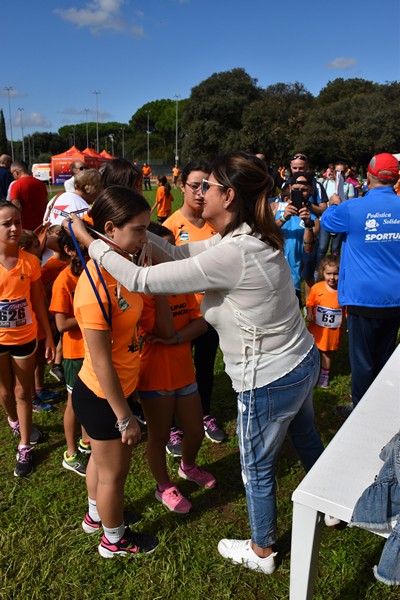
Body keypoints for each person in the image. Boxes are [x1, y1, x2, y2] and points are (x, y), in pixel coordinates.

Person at [67, 151, 324, 575]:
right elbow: (179, 251)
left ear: (229, 196)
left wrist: (91, 239)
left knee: (256, 469)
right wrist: (133, 236)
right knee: (307, 436)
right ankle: (327, 506)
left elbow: (139, 279)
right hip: (299, 361)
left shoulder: (233, 251)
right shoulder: (248, 235)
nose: (201, 192)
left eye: (210, 186)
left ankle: (263, 552)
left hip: (268, 378)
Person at [71, 185, 158, 558]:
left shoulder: (120, 268)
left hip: (114, 389)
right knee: (113, 475)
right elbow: (102, 361)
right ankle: (114, 539)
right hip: (105, 396)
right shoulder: (95, 287)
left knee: (100, 463)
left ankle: (96, 517)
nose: (144, 237)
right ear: (111, 228)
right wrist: (125, 418)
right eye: (138, 230)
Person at [138, 222, 216, 514]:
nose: (173, 256)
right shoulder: (142, 289)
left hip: (184, 372)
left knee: (194, 431)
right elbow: (164, 325)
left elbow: (201, 321)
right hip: (154, 377)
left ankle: (188, 467)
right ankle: (163, 486)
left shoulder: (181, 285)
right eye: (165, 249)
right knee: (158, 438)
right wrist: (157, 286)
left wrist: (177, 338)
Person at [320, 153, 400, 418]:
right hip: (394, 298)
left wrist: (333, 203)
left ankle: (362, 412)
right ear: (396, 178)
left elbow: (328, 222)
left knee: (362, 361)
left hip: (363, 298)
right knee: (385, 355)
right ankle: (384, 406)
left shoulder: (353, 208)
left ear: (369, 176)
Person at [163, 160, 225, 451]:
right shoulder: (169, 227)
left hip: (212, 312)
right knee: (177, 369)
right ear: (181, 185)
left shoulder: (217, 222)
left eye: (207, 186)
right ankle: (173, 427)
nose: (201, 192)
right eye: (194, 186)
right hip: (181, 315)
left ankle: (204, 414)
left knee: (205, 366)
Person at [0, 201, 55, 477]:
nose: (14, 228)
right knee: (5, 392)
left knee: (23, 391)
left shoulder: (31, 261)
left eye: (18, 222)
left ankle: (24, 446)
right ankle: (13, 419)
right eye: (6, 223)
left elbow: (38, 301)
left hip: (25, 336)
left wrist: (48, 338)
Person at [49, 227, 90, 476]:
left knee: (90, 400)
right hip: (75, 353)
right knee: (74, 403)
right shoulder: (64, 280)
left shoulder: (94, 273)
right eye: (82, 245)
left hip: (93, 349)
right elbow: (62, 325)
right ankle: (71, 453)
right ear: (68, 250)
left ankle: (87, 441)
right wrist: (92, 315)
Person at [272, 172, 319, 305]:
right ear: (290, 187)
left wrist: (307, 225)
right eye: (296, 189)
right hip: (270, 274)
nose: (300, 193)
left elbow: (308, 248)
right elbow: (263, 234)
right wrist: (283, 218)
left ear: (310, 191)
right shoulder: (275, 208)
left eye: (304, 190)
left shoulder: (313, 220)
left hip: (292, 280)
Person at [306, 255, 342, 388]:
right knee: (312, 351)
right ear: (322, 272)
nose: (332, 277)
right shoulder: (317, 288)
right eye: (329, 274)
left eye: (336, 274)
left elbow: (346, 309)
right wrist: (309, 312)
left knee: (326, 353)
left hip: (331, 331)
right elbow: (310, 302)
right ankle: (310, 374)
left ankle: (324, 377)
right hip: (316, 329)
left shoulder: (342, 290)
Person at [9, 161, 47, 231]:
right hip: (41, 225)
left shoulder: (16, 185)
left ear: (16, 172)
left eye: (12, 173)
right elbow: (46, 202)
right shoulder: (41, 183)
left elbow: (16, 207)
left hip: (25, 226)